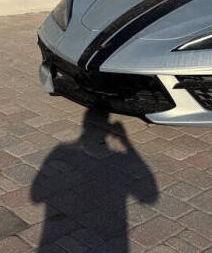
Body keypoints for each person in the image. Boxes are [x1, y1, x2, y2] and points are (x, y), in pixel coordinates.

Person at [30, 108, 158, 252]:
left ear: (84, 125)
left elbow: (36, 195)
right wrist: (126, 142)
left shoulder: (60, 151)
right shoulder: (118, 158)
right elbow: (149, 197)